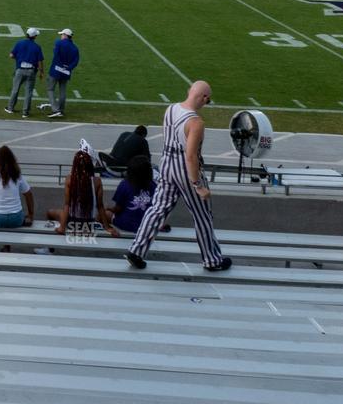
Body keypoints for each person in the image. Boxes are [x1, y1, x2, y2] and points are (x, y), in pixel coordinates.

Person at [126, 80, 232, 272]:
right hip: (184, 168)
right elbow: (190, 156)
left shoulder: (171, 108)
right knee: (202, 215)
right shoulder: (196, 122)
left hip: (166, 162)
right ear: (204, 98)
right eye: (208, 101)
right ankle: (212, 260)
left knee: (158, 208)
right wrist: (197, 184)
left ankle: (137, 250)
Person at [47, 150, 108, 236]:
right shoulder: (97, 181)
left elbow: (67, 205)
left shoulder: (70, 179)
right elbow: (100, 206)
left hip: (72, 222)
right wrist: (107, 227)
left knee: (50, 213)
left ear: (75, 165)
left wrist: (62, 227)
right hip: (89, 224)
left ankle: (50, 249)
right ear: (90, 165)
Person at [107, 156, 157, 236]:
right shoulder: (153, 186)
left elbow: (118, 209)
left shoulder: (124, 184)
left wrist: (110, 209)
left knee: (105, 214)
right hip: (147, 225)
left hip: (127, 224)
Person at [4, 27, 44, 117]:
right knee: (29, 92)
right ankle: (25, 112)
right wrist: (41, 72)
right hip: (31, 71)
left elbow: (11, 55)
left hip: (20, 70)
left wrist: (18, 59)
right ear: (35, 37)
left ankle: (10, 108)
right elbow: (40, 61)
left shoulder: (20, 43)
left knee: (15, 90)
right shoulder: (37, 47)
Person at [45, 28, 79, 119]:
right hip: (66, 72)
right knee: (62, 91)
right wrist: (67, 68)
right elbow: (76, 61)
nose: (61, 36)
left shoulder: (58, 43)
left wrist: (60, 66)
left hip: (56, 70)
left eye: (62, 34)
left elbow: (56, 54)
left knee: (50, 89)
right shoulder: (75, 48)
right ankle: (61, 109)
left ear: (65, 35)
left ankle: (55, 110)